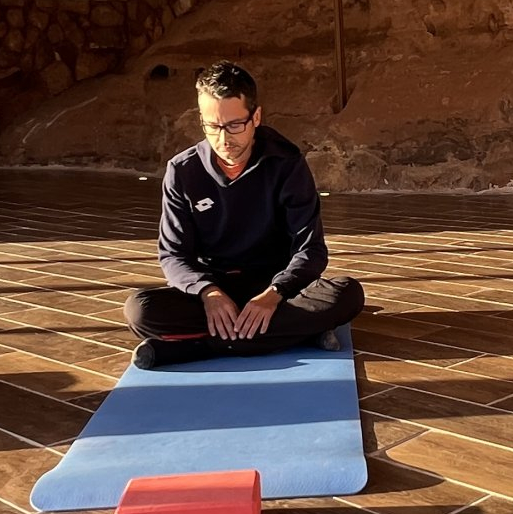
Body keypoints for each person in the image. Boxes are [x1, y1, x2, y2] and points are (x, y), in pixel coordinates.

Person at [124, 60, 365, 369]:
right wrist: (208, 293)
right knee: (140, 312)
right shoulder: (182, 171)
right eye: (212, 126)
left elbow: (311, 250)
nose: (224, 139)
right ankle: (298, 334)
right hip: (215, 289)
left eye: (235, 125)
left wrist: (274, 294)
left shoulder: (286, 163)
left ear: (256, 117)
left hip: (276, 290)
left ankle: (192, 349)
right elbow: (173, 255)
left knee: (347, 294)